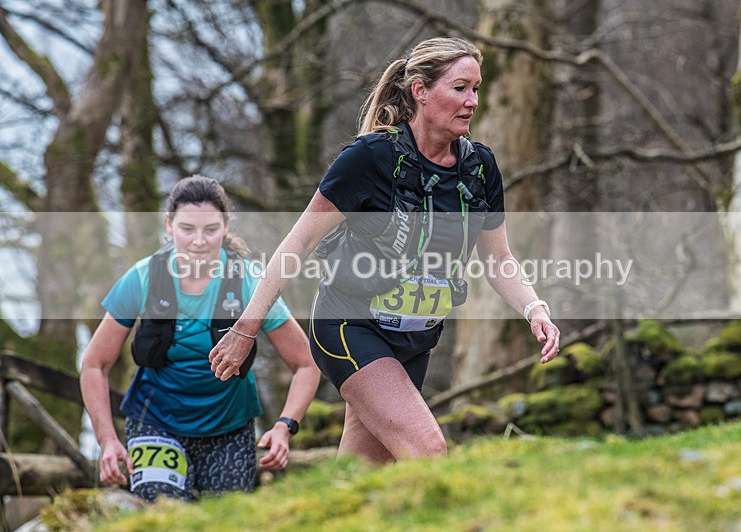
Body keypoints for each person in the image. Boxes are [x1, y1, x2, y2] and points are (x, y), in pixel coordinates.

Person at [209, 37, 560, 463]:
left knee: (364, 475)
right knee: (428, 450)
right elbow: (298, 243)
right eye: (460, 88)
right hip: (350, 326)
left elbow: (499, 261)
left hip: (415, 339)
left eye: (477, 88)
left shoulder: (479, 167)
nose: (472, 101)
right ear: (420, 91)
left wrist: (534, 308)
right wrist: (246, 329)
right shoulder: (371, 157)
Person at [80, 175, 320, 501]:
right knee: (164, 512)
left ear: (225, 226)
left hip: (229, 428)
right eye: (187, 229)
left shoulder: (249, 282)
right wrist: (107, 438)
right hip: (155, 423)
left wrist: (283, 427)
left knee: (225, 521)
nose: (199, 241)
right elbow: (95, 364)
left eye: (210, 230)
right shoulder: (144, 277)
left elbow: (306, 364)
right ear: (169, 225)